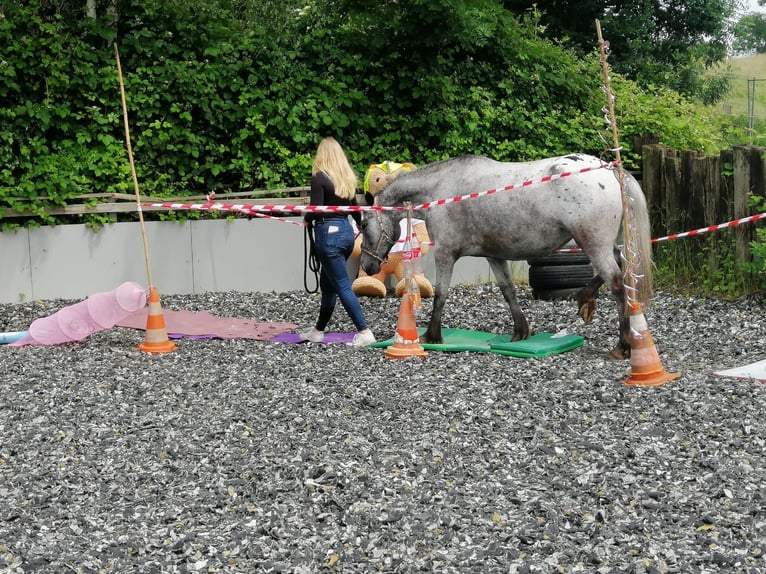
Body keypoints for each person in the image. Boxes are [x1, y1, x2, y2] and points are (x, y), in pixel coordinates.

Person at [300, 137, 376, 346]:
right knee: (328, 284)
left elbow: (317, 209)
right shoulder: (347, 178)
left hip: (328, 233)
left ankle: (364, 331)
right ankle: (318, 331)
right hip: (345, 231)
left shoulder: (319, 178)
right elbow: (355, 209)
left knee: (342, 285)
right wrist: (360, 226)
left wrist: (307, 219)